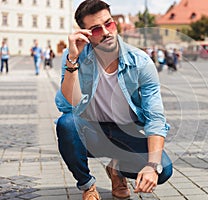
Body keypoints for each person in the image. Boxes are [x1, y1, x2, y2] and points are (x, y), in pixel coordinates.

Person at [54, 1, 173, 200]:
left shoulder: (140, 62)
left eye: (109, 24)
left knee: (164, 169)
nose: (106, 32)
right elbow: (69, 105)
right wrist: (73, 60)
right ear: (86, 33)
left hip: (125, 132)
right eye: (96, 29)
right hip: (92, 131)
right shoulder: (74, 57)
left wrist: (152, 166)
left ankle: (116, 168)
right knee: (66, 123)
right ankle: (87, 185)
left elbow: (156, 118)